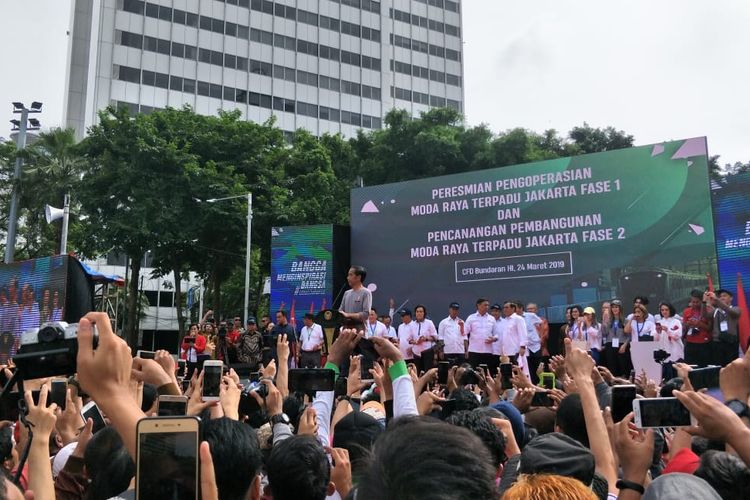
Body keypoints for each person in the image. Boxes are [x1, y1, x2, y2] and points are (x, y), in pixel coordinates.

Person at [705, 289, 741, 366]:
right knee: (719, 367)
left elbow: (731, 312)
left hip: (731, 343)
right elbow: (705, 316)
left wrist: (716, 300)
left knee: (732, 366)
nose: (722, 298)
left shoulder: (736, 309)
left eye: (724, 296)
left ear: (731, 298)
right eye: (720, 296)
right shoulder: (716, 311)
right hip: (718, 343)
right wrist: (704, 302)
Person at [683, 289, 713, 367]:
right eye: (693, 302)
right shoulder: (686, 311)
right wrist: (688, 324)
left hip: (704, 344)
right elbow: (684, 327)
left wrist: (699, 324)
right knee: (690, 367)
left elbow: (710, 328)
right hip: (690, 343)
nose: (695, 304)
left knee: (704, 367)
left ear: (701, 301)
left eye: (697, 302)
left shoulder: (708, 310)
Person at [465, 298, 497, 369]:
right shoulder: (471, 318)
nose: (487, 307)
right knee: (474, 373)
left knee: (486, 373)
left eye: (488, 305)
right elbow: (465, 332)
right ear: (478, 305)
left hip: (488, 351)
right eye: (485, 305)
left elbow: (496, 334)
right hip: (474, 351)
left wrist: (494, 339)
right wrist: (461, 326)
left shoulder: (492, 318)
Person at [520, 302, 544, 381]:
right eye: (528, 309)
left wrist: (541, 336)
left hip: (535, 346)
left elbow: (541, 323)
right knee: (528, 369)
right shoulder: (515, 318)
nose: (530, 310)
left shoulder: (530, 316)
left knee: (538, 368)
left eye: (531, 309)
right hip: (525, 347)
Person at [411, 305, 437, 373]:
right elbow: (409, 340)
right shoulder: (412, 324)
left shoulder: (429, 323)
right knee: (417, 372)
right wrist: (415, 342)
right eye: (417, 312)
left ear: (424, 313)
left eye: (421, 311)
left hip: (427, 351)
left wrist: (426, 339)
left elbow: (435, 337)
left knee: (427, 372)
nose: (419, 313)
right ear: (415, 313)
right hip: (416, 353)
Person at [502, 301, 528, 371]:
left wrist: (523, 347)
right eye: (504, 308)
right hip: (506, 352)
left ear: (513, 308)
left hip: (516, 351)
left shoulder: (518, 319)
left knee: (517, 371)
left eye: (507, 307)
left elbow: (523, 333)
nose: (505, 309)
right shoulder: (504, 320)